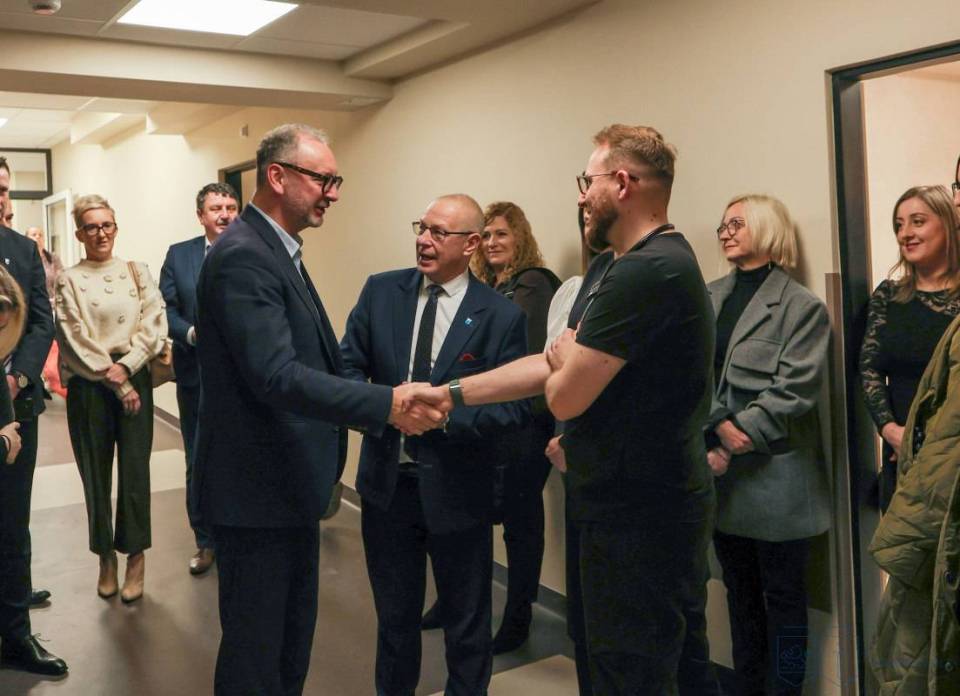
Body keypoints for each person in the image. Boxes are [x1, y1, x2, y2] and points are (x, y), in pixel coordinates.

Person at [407, 124, 718, 694]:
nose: (581, 196)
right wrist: (450, 393)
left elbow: (564, 394)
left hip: (645, 512)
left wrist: (567, 360)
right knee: (608, 658)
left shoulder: (653, 269)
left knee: (636, 669)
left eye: (587, 181)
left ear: (622, 183)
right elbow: (548, 363)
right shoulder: (610, 268)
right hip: (609, 499)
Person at [193, 123, 444, 696]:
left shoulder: (275, 249)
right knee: (257, 659)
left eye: (336, 180)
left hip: (285, 490)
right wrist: (387, 402)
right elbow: (276, 375)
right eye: (323, 179)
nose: (333, 193)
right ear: (277, 177)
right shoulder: (244, 256)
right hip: (256, 495)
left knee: (286, 651)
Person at [339, 194, 529, 695]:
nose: (423, 240)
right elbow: (346, 369)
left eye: (438, 233)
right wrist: (387, 406)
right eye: (421, 228)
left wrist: (444, 420)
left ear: (471, 244)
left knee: (466, 627)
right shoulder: (381, 292)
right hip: (386, 489)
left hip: (459, 493)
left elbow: (514, 408)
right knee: (395, 623)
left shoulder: (500, 316)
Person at [706, 194, 831, 695]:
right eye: (722, 225)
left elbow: (795, 390)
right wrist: (717, 426)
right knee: (738, 597)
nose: (726, 232)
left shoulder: (801, 307)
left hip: (779, 487)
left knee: (785, 603)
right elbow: (691, 374)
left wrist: (736, 435)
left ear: (767, 227)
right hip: (723, 482)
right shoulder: (709, 296)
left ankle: (786, 690)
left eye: (737, 223)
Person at [420, 201, 557, 654]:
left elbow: (516, 359)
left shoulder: (533, 283)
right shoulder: (482, 289)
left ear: (521, 239)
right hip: (482, 422)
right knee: (465, 514)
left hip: (523, 427)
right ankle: (453, 601)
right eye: (489, 235)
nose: (494, 243)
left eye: (503, 234)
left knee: (520, 525)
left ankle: (518, 615)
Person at [56, 194, 167, 604]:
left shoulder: (137, 272)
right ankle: (105, 557)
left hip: (134, 375)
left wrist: (129, 366)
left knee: (135, 471)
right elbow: (72, 336)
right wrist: (113, 378)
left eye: (107, 225)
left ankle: (136, 557)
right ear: (79, 234)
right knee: (95, 474)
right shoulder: (68, 280)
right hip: (90, 385)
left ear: (116, 228)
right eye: (91, 227)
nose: (100, 233)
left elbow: (155, 322)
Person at [869, 311, 960, 694]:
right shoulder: (893, 302)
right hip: (918, 479)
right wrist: (892, 431)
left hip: (935, 497)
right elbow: (871, 368)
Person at [0, 158, 64, 676]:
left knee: (11, 520)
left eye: (3, 189)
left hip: (16, 406)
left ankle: (16, 633)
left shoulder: (23, 251)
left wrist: (18, 377)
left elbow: (43, 321)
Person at [859, 185, 960, 512]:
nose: (905, 233)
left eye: (918, 221)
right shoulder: (888, 296)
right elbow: (870, 368)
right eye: (899, 225)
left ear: (948, 224)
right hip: (901, 455)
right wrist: (889, 430)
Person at [159, 182, 239, 575]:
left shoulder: (252, 251)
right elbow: (165, 309)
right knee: (198, 457)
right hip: (196, 374)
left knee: (239, 456)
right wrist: (191, 333)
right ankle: (205, 541)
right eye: (216, 208)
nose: (225, 214)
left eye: (231, 207)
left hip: (243, 377)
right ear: (200, 216)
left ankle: (238, 537)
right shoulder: (180, 255)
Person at [25, 226, 67, 399]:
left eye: (40, 234)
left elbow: (62, 279)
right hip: (35, 308)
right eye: (33, 234)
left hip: (54, 305)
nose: (37, 237)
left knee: (55, 343)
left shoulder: (52, 258)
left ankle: (53, 378)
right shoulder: (25, 258)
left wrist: (57, 299)